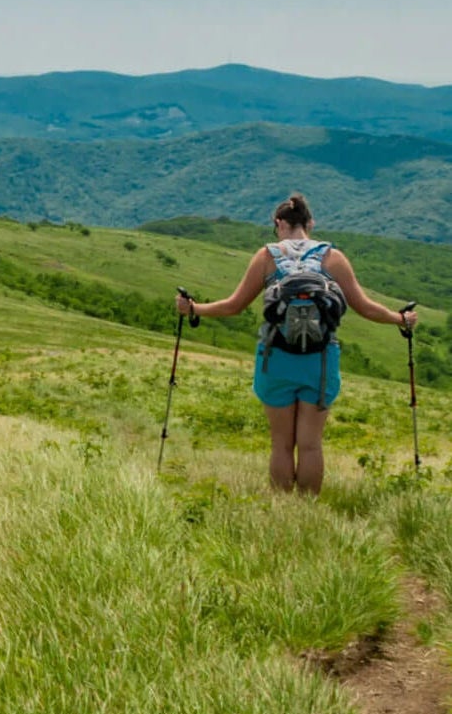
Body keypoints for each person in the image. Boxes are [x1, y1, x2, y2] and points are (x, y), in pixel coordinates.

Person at [175, 194, 417, 495]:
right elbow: (365, 307)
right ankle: (307, 512)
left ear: (279, 224)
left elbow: (234, 305)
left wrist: (194, 309)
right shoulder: (333, 258)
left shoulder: (266, 257)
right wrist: (400, 318)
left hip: (275, 357)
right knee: (311, 445)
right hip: (320, 360)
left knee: (281, 443)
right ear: (310, 223)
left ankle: (283, 512)